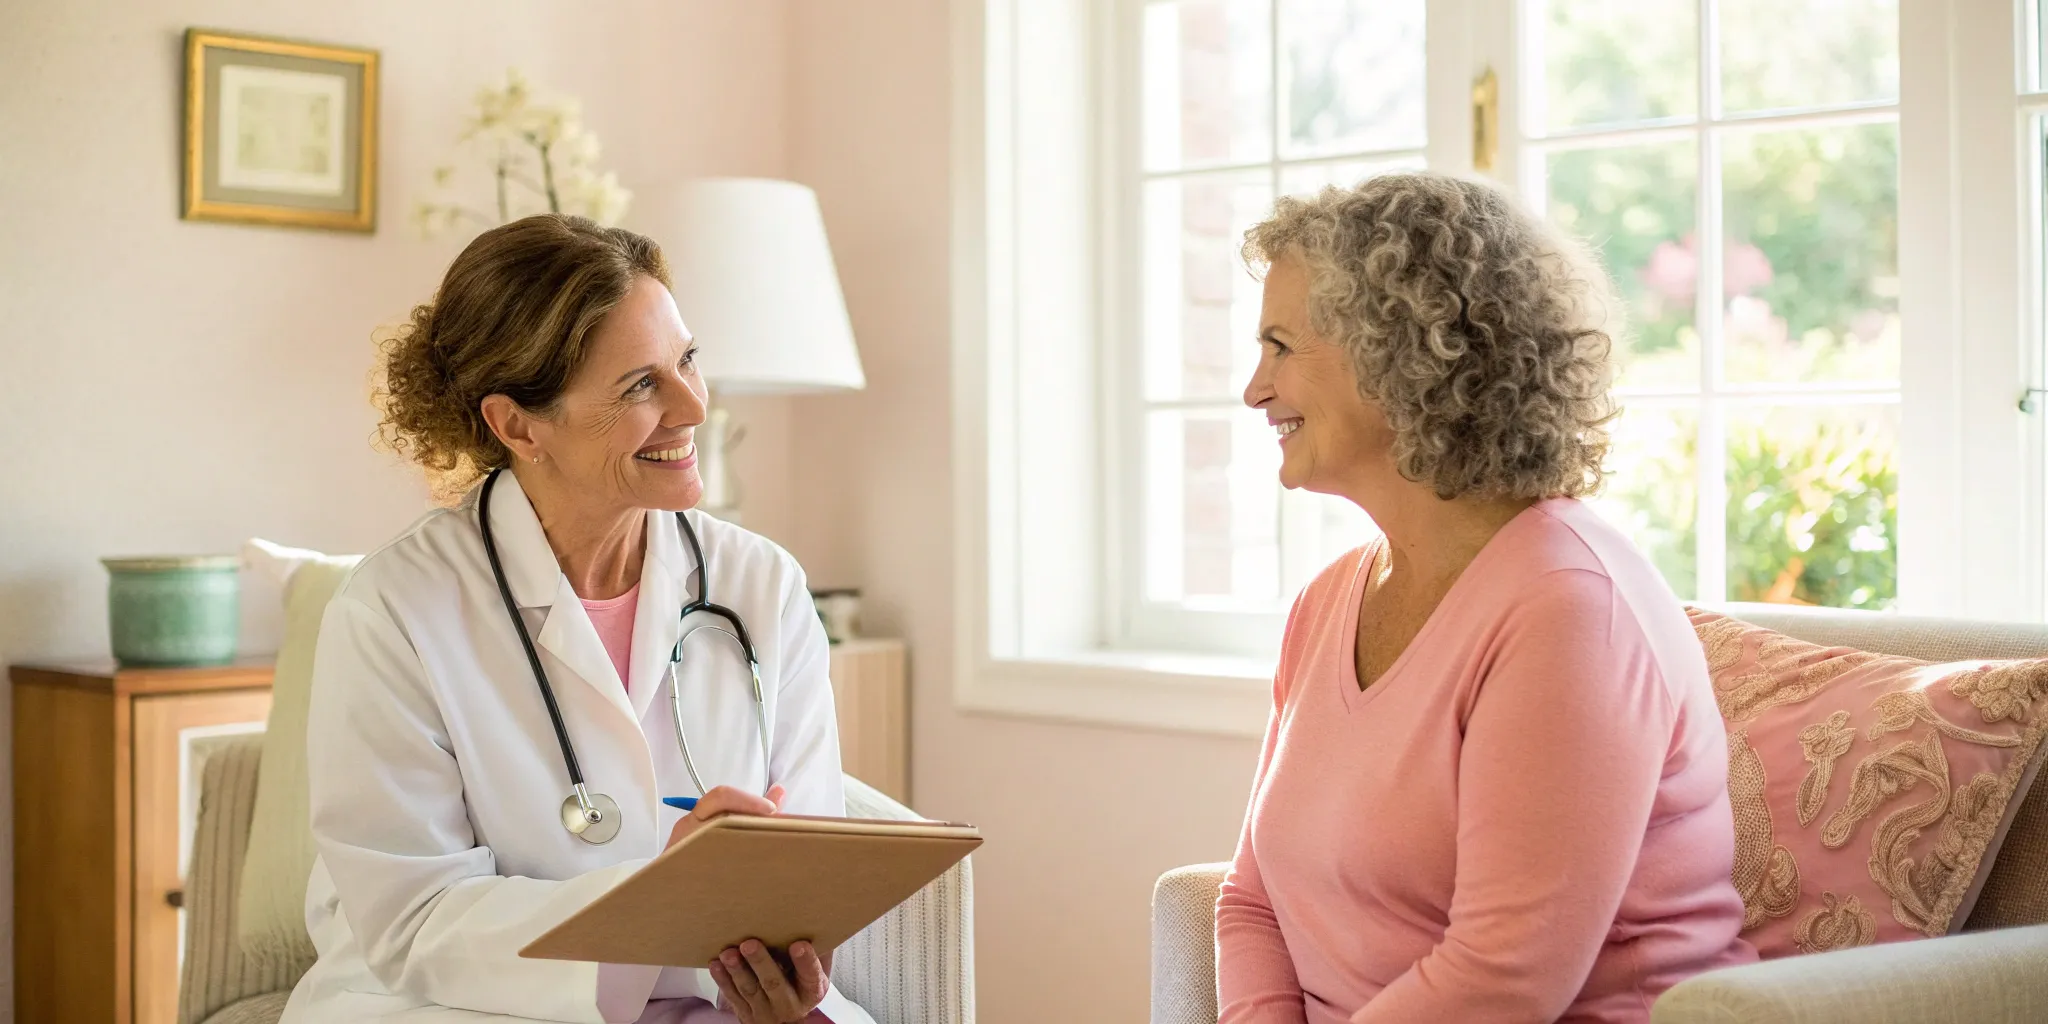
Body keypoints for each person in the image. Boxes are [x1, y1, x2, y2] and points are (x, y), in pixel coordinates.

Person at [281, 214, 870, 1024]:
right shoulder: (395, 609)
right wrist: (661, 898)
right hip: (459, 1007)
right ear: (518, 425)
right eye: (640, 386)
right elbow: (413, 918)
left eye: (687, 360)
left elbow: (807, 867)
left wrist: (781, 961)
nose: (693, 406)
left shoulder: (761, 585)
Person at [1218, 172, 1756, 1023]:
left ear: (1397, 352)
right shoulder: (1327, 603)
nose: (1255, 388)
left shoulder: (1570, 609)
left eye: (1281, 346)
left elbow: (1503, 980)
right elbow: (1251, 902)